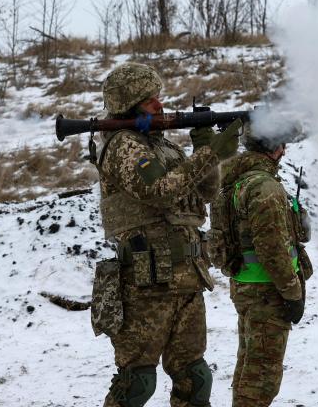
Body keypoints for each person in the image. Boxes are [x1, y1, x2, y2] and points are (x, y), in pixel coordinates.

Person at [92, 62, 242, 407]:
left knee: (194, 377)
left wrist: (206, 147)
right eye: (149, 100)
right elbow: (159, 190)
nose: (160, 105)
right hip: (147, 283)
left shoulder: (165, 147)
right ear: (129, 106)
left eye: (158, 97)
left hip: (188, 278)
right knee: (137, 382)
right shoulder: (123, 146)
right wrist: (210, 153)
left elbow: (204, 191)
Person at [212, 122, 313, 407]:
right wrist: (293, 293)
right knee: (262, 376)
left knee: (249, 366)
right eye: (282, 143)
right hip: (268, 292)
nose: (285, 150)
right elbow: (272, 250)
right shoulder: (265, 187)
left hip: (247, 287)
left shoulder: (239, 181)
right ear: (274, 148)